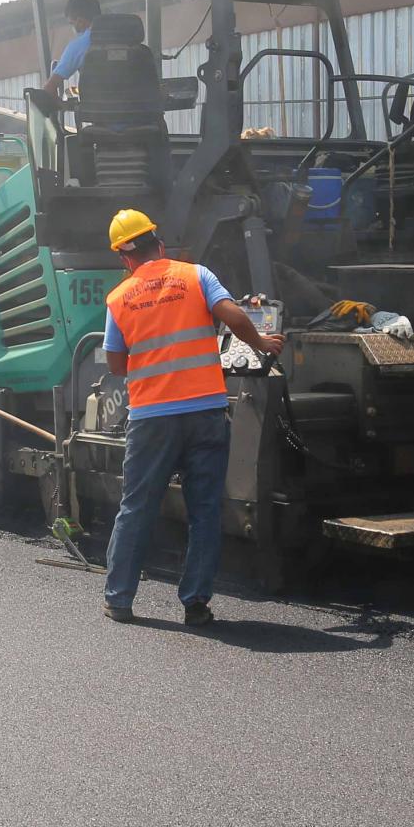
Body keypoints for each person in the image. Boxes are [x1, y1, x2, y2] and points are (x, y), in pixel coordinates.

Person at [99, 208, 282, 626]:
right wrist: (263, 343)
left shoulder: (118, 298)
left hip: (151, 420)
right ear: (158, 243)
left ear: (125, 258)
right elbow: (234, 317)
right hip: (205, 412)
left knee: (136, 508)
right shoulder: (196, 274)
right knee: (204, 511)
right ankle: (196, 604)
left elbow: (114, 364)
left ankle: (120, 599)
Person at [39, 0, 100, 103]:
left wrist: (58, 104)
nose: (73, 27)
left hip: (101, 115)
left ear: (80, 21)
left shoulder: (80, 45)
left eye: (72, 23)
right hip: (137, 116)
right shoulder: (127, 39)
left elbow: (49, 88)